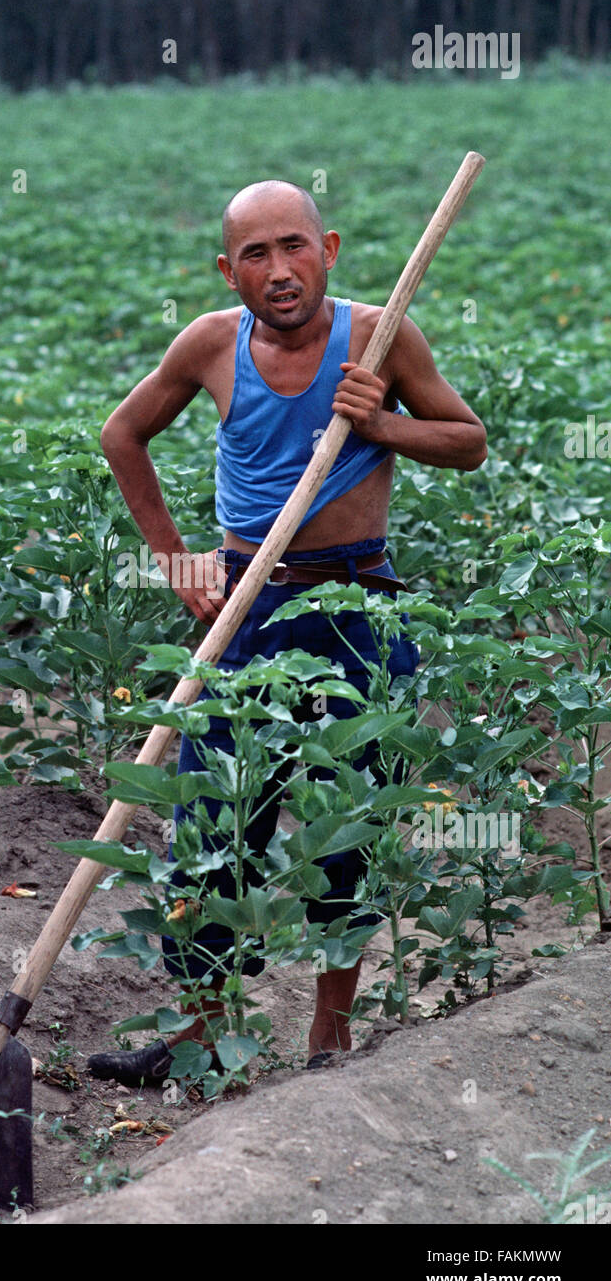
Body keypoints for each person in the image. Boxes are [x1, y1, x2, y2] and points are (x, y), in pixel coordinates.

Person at [88, 179, 487, 1084]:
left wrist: (379, 420)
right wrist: (174, 558)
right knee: (211, 817)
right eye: (256, 255)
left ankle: (328, 1039)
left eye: (294, 247)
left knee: (347, 817)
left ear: (329, 248)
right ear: (227, 269)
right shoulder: (209, 344)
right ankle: (196, 1039)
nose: (279, 270)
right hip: (244, 606)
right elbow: (123, 434)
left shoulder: (378, 336)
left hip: (354, 605)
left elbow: (467, 440)